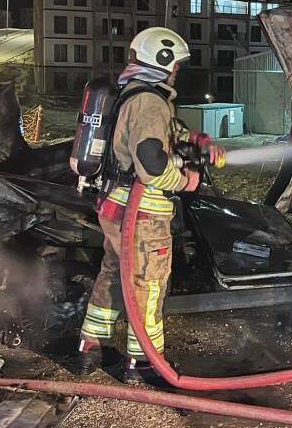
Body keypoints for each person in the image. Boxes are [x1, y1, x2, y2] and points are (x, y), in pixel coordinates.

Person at [76, 27, 225, 382]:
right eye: (176, 64)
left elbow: (156, 132)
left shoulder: (134, 94)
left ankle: (89, 346)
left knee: (115, 275)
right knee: (150, 283)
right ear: (163, 61)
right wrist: (187, 181)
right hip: (142, 215)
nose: (178, 71)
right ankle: (143, 363)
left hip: (116, 206)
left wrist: (195, 138)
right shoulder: (151, 102)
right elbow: (151, 162)